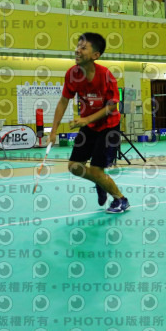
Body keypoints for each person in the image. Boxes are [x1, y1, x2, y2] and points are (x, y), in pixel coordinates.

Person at [49, 32, 129, 213]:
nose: (77, 50)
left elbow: (111, 106)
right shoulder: (72, 74)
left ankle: (121, 199)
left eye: (83, 48)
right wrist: (53, 132)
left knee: (96, 169)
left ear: (95, 55)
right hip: (89, 127)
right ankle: (100, 182)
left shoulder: (106, 76)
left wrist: (86, 119)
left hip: (108, 126)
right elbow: (63, 101)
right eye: (78, 46)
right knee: (74, 167)